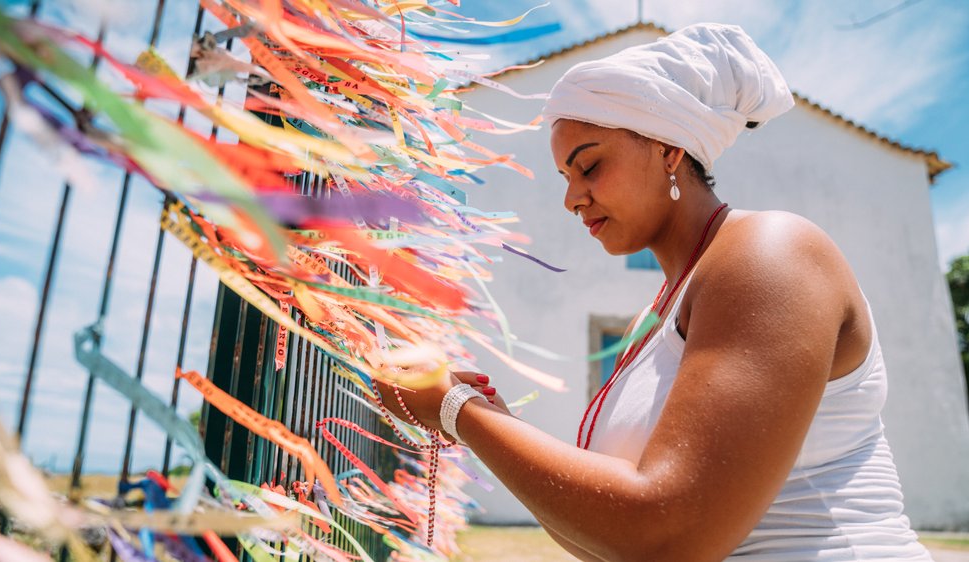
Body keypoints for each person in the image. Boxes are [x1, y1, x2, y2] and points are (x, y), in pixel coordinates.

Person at [380, 23, 934, 561]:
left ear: (669, 150)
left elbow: (668, 534)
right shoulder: (653, 321)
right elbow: (606, 537)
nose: (572, 199)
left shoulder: (770, 253)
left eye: (590, 166)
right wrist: (493, 418)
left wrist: (460, 411)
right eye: (564, 178)